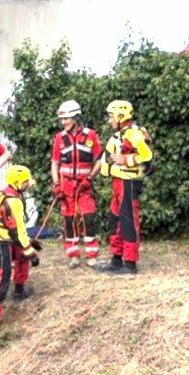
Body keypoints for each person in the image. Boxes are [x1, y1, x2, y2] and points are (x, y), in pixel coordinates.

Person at [0, 165, 39, 338]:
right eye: (27, 182)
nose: (28, 185)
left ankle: (19, 289)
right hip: (0, 244)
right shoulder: (14, 202)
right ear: (18, 182)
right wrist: (32, 254)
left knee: (20, 255)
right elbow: (20, 232)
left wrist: (26, 248)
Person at [99, 99, 153, 275]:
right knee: (114, 221)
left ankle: (130, 264)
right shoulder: (118, 135)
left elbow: (146, 156)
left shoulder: (134, 134)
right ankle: (116, 259)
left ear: (120, 116)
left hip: (128, 183)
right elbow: (106, 157)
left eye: (110, 117)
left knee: (128, 222)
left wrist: (125, 160)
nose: (109, 121)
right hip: (117, 183)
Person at [51, 100, 102, 268]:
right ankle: (73, 255)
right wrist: (56, 185)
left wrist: (90, 178)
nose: (64, 122)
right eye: (62, 119)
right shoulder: (59, 138)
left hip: (84, 185)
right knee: (69, 219)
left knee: (89, 217)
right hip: (66, 186)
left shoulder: (90, 135)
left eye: (67, 118)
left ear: (76, 117)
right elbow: (55, 164)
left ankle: (91, 254)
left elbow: (100, 160)